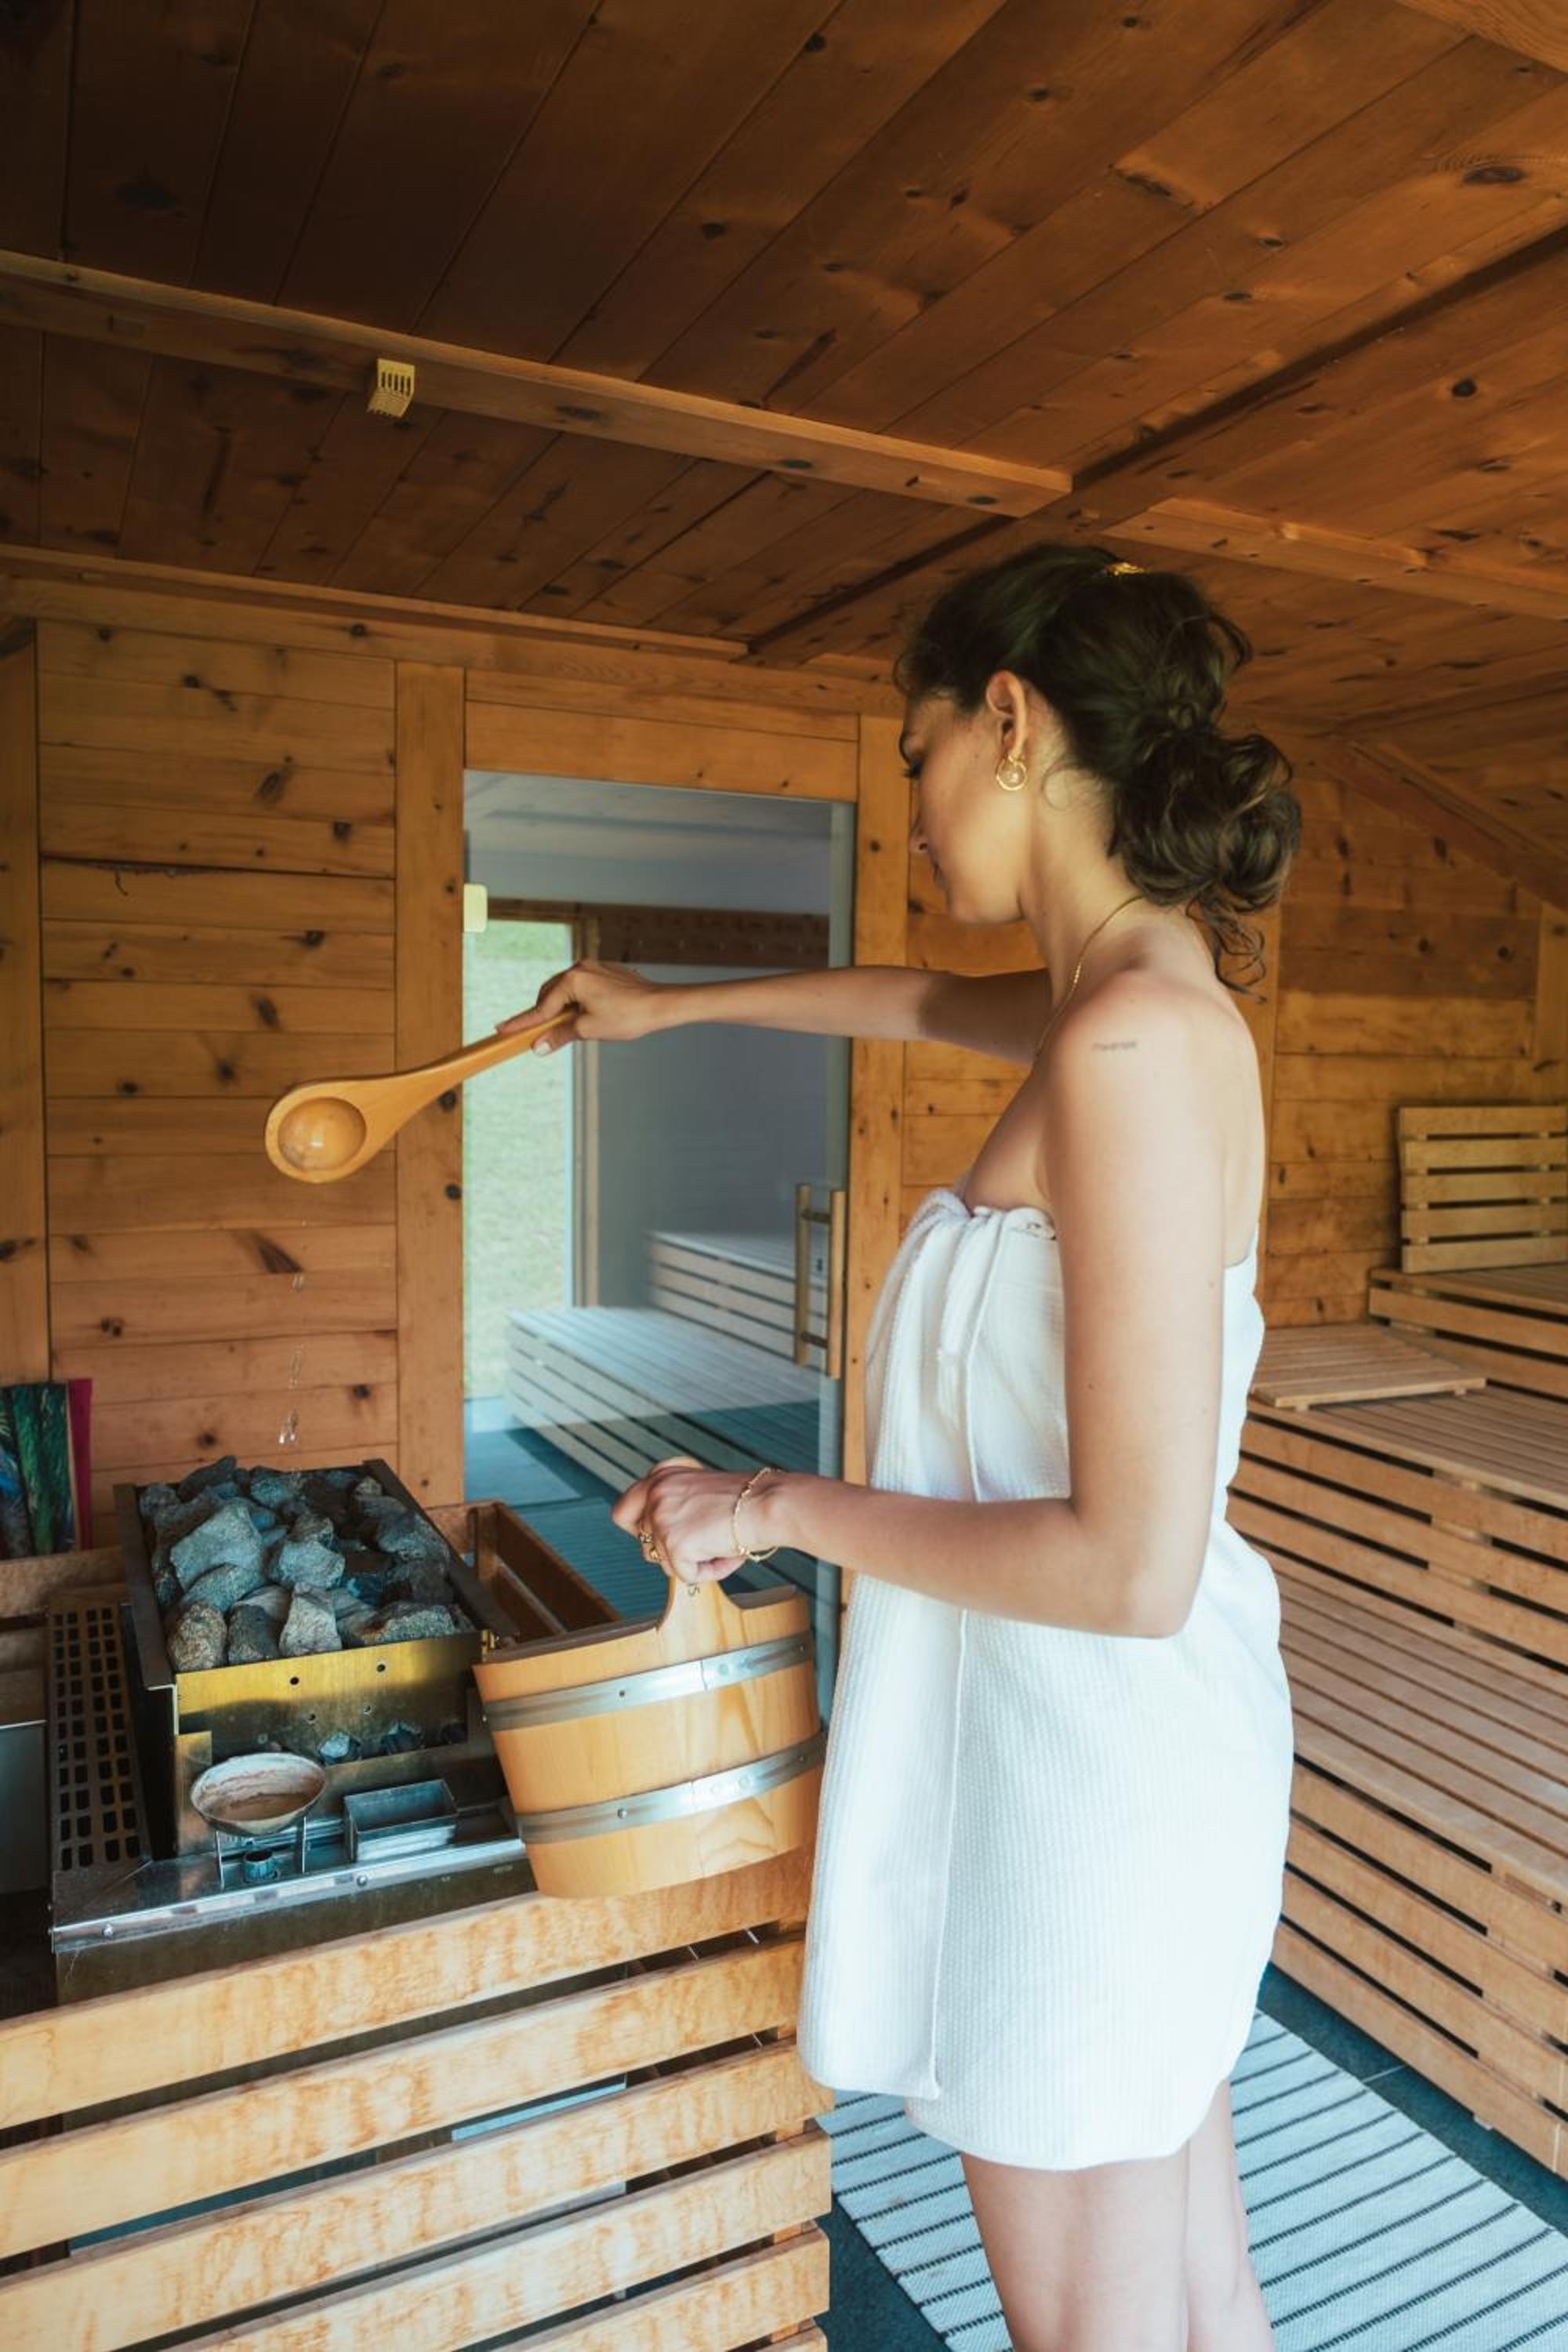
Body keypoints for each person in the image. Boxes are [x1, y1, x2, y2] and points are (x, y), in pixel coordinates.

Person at [498, 538, 1303, 2350]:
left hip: (1087, 1781)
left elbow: (1127, 1563)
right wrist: (665, 1006)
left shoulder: (1131, 1044)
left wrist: (766, 1501)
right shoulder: (1123, 1005)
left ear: (1009, 723)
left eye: (919, 755)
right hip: (1103, 1754)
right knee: (1189, 2303)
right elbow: (916, 1000)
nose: (920, 816)